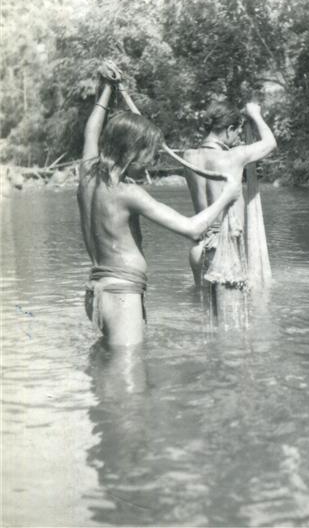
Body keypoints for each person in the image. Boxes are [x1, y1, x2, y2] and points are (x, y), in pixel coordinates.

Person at [78, 62, 241, 346]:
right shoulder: (128, 192)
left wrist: (107, 89)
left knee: (109, 367)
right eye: (149, 154)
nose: (152, 162)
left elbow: (91, 130)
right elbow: (193, 229)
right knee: (129, 371)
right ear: (131, 150)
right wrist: (228, 195)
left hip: (96, 291)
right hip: (122, 296)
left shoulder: (87, 173)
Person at [183, 100, 277, 288]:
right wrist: (255, 114)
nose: (237, 138)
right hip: (223, 246)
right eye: (237, 132)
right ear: (229, 129)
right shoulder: (234, 156)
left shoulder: (188, 156)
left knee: (203, 304)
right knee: (234, 305)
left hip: (198, 245)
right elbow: (270, 143)